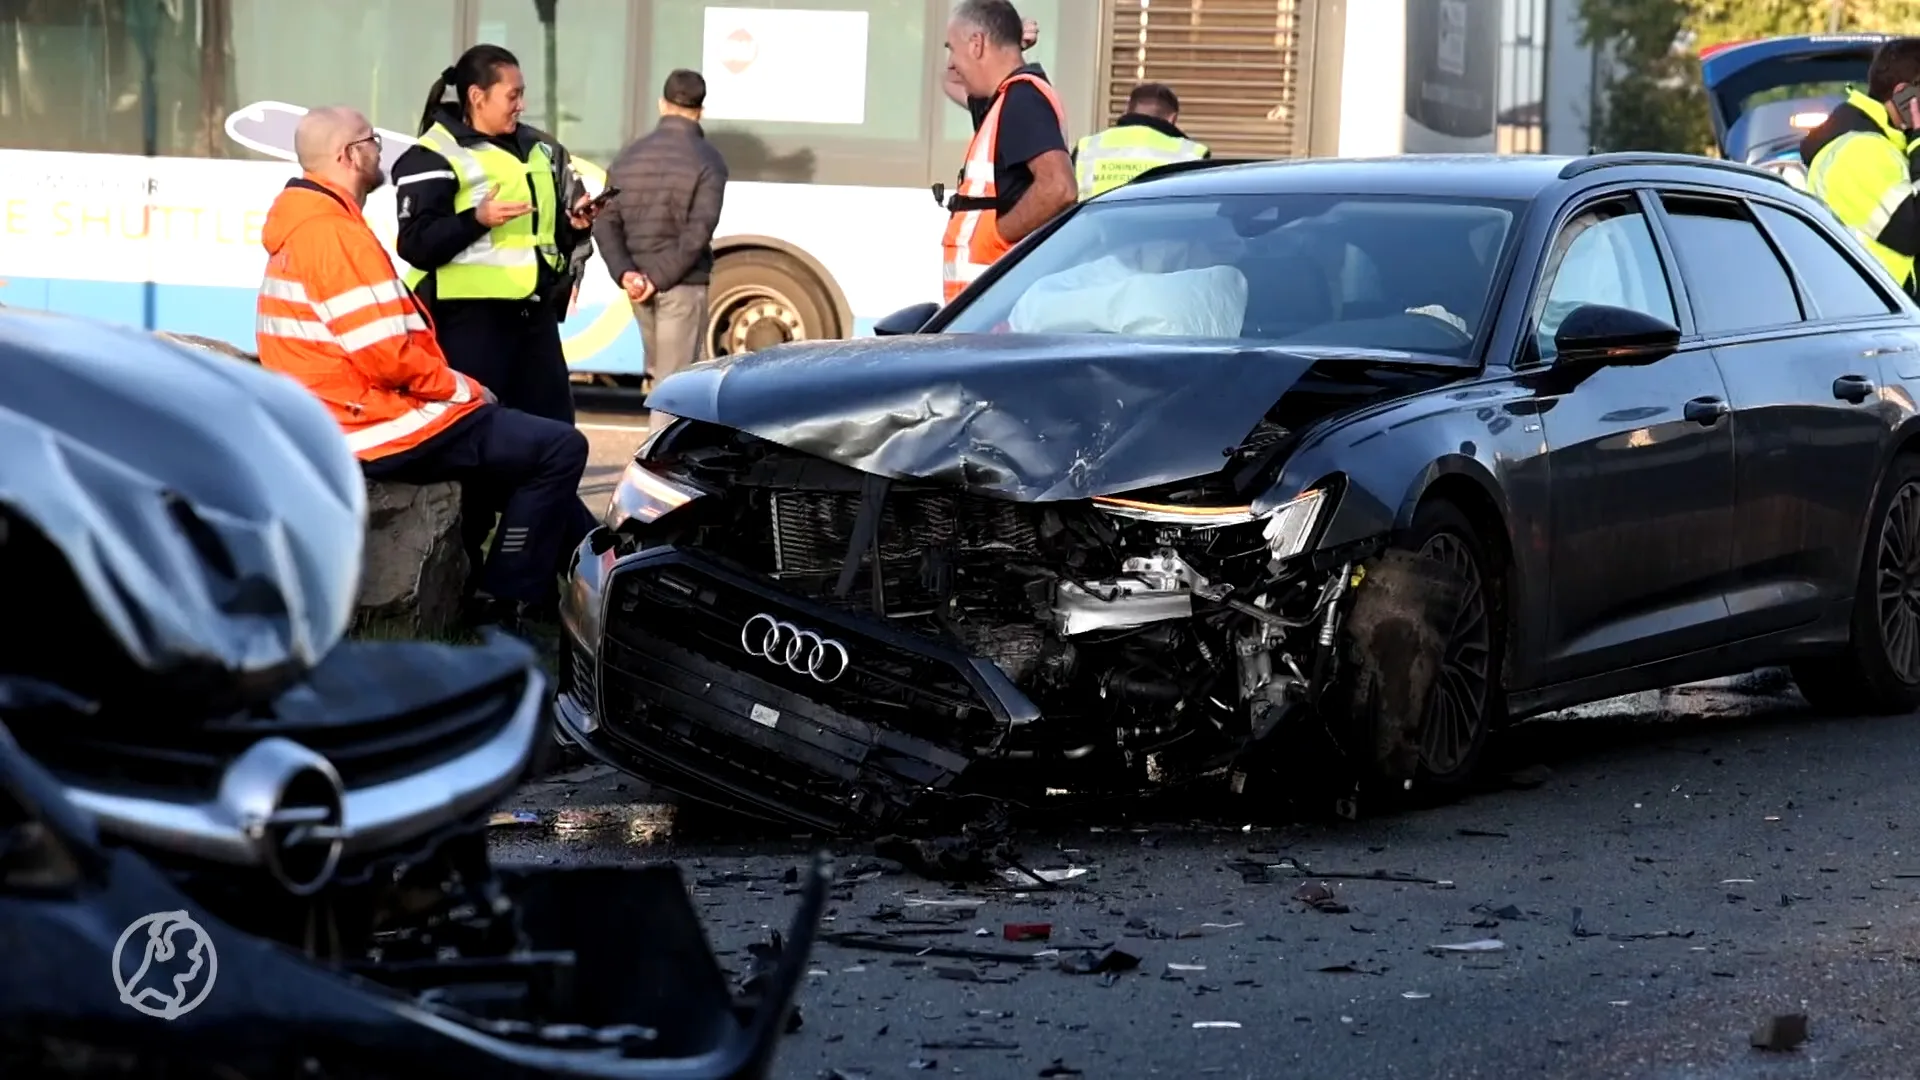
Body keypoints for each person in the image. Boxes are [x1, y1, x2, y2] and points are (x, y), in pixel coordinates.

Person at [255, 105, 594, 631]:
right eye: (371, 140)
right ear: (347, 156)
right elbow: (386, 355)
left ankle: (604, 573)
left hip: (339, 416)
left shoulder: (309, 224)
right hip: (372, 425)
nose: (380, 150)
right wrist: (461, 389)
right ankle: (506, 601)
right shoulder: (333, 236)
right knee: (559, 449)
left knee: (521, 461)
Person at [390, 43, 601, 426]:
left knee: (555, 433)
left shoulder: (536, 148)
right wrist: (477, 219)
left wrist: (574, 227)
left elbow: (542, 238)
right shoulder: (434, 154)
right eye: (513, 95)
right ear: (477, 96)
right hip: (470, 324)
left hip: (533, 319)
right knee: (481, 438)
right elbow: (415, 244)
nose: (521, 104)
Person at [593, 69, 729, 429]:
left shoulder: (628, 158)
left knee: (660, 378)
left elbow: (604, 220)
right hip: (681, 284)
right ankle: (658, 471)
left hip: (639, 288)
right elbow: (698, 232)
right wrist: (657, 277)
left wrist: (628, 274)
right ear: (701, 110)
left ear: (661, 104)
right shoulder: (708, 161)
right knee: (675, 386)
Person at [940, 0, 1074, 304]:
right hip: (984, 310)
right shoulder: (1000, 99)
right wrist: (1011, 42)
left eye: (953, 49)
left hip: (998, 312)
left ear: (977, 44)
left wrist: (997, 236)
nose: (951, 63)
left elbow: (1059, 187)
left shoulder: (1022, 99)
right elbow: (948, 80)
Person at [1801, 36, 1920, 301]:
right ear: (1904, 94)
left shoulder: (1889, 144)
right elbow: (1912, 232)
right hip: (1877, 314)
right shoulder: (1858, 150)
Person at [1072, 83, 1211, 201]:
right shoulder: (1192, 154)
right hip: (1161, 232)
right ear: (1172, 118)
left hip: (1095, 231)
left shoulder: (1087, 147)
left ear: (1128, 110)